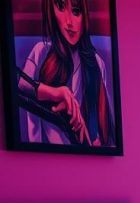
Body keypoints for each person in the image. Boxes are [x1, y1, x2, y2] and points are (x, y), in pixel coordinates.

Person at [16, 0, 114, 147]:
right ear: (51, 11)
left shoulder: (97, 64)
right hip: (43, 159)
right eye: (61, 7)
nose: (69, 21)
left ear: (84, 16)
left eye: (76, 11)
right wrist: (58, 93)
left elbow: (107, 126)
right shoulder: (41, 51)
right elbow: (21, 85)